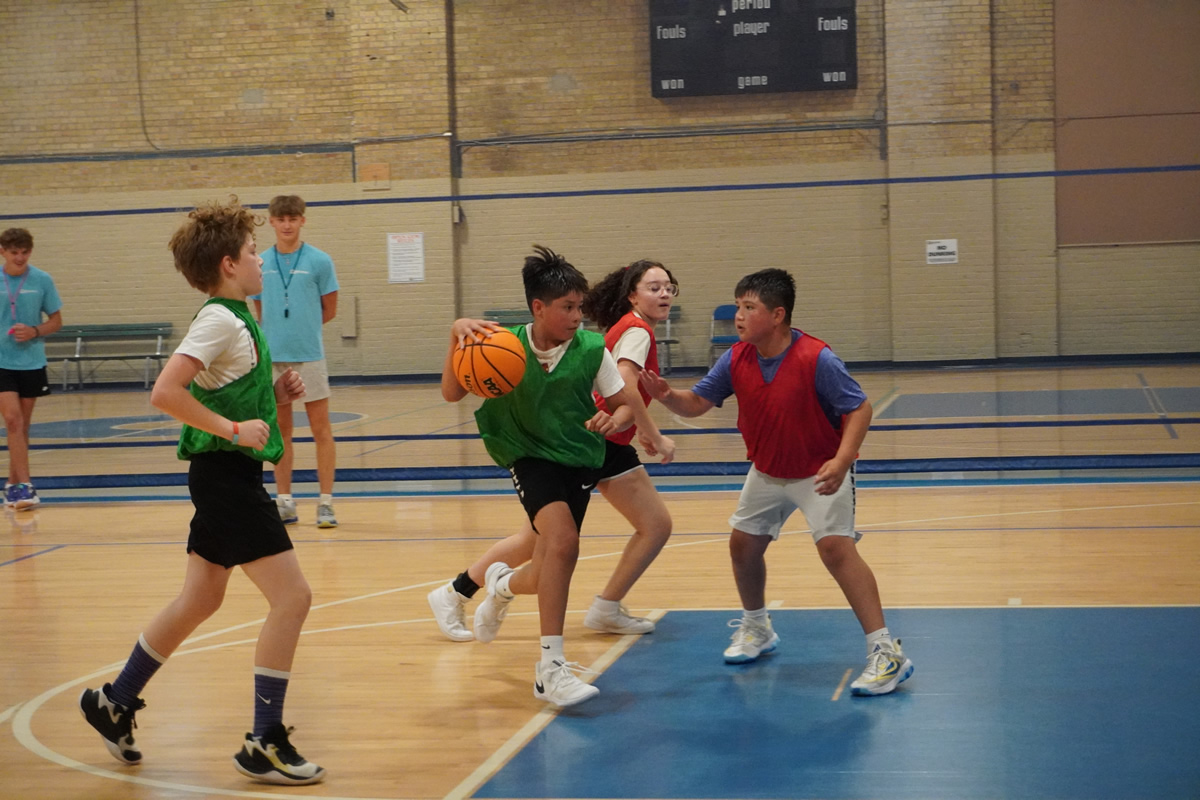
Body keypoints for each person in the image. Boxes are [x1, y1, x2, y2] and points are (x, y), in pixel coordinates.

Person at [79, 198, 325, 785]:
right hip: (226, 478)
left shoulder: (238, 318)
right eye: (249, 252)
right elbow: (165, 393)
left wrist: (277, 397)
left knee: (200, 599)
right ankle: (264, 739)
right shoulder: (218, 318)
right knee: (293, 599)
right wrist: (236, 430)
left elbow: (222, 391)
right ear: (227, 263)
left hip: (226, 476)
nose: (259, 258)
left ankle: (115, 702)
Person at [640, 268, 914, 696]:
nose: (739, 316)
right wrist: (667, 396)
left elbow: (859, 409)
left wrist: (843, 461)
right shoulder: (736, 358)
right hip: (767, 470)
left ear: (778, 315)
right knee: (742, 545)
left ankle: (885, 652)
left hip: (819, 469)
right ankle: (757, 628)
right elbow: (697, 403)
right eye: (738, 307)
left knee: (835, 549)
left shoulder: (817, 358)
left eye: (750, 308)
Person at [428, 259, 679, 644]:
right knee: (570, 541)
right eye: (654, 286)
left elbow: (621, 395)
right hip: (566, 442)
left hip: (587, 438)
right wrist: (652, 434)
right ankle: (583, 620)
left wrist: (627, 421)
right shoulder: (636, 331)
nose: (664, 293)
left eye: (668, 286)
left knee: (542, 543)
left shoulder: (596, 341)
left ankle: (466, 590)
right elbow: (627, 385)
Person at [440, 245, 640, 708]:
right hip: (526, 453)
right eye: (567, 307)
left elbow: (625, 403)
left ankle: (501, 584)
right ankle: (550, 667)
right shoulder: (499, 345)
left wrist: (616, 419)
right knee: (564, 542)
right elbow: (452, 393)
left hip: (578, 456)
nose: (577, 316)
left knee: (552, 562)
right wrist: (454, 335)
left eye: (580, 307)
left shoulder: (593, 349)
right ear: (538, 307)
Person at [251, 194, 340, 528]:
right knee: (281, 432)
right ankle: (285, 500)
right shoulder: (259, 262)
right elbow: (262, 313)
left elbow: (329, 310)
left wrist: (302, 330)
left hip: (310, 357)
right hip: (274, 359)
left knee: (321, 430)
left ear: (303, 220)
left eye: (293, 218)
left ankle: (326, 503)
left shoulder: (320, 261)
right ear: (271, 222)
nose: (287, 225)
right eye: (281, 219)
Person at [0, 228, 63, 510]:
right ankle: (25, 487)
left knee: (22, 426)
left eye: (25, 252)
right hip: (2, 361)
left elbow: (56, 321)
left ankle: (12, 484)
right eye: (14, 252)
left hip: (31, 361)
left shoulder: (41, 280)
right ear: (3, 251)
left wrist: (35, 330)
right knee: (12, 420)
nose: (20, 257)